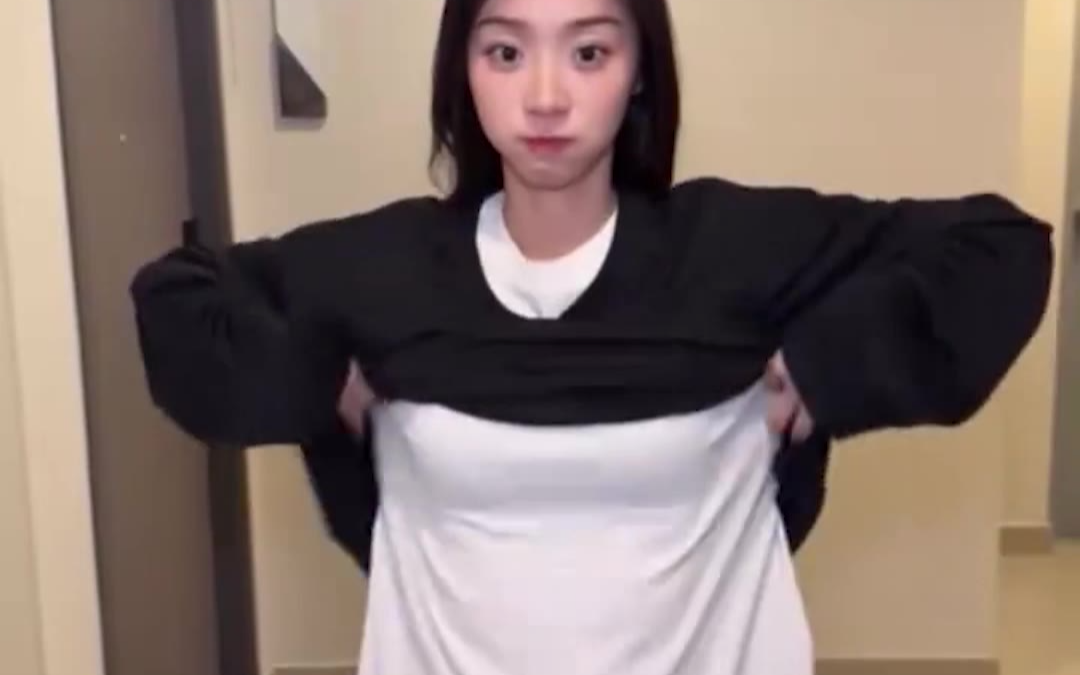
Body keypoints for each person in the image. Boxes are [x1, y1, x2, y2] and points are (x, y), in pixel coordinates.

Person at [129, 0, 1054, 673]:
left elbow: (1000, 247)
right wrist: (310, 379)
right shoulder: (385, 267)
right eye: (505, 51)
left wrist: (830, 365)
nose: (545, 97)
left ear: (639, 67)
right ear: (463, 68)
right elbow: (177, 291)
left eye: (589, 52)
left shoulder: (732, 251)